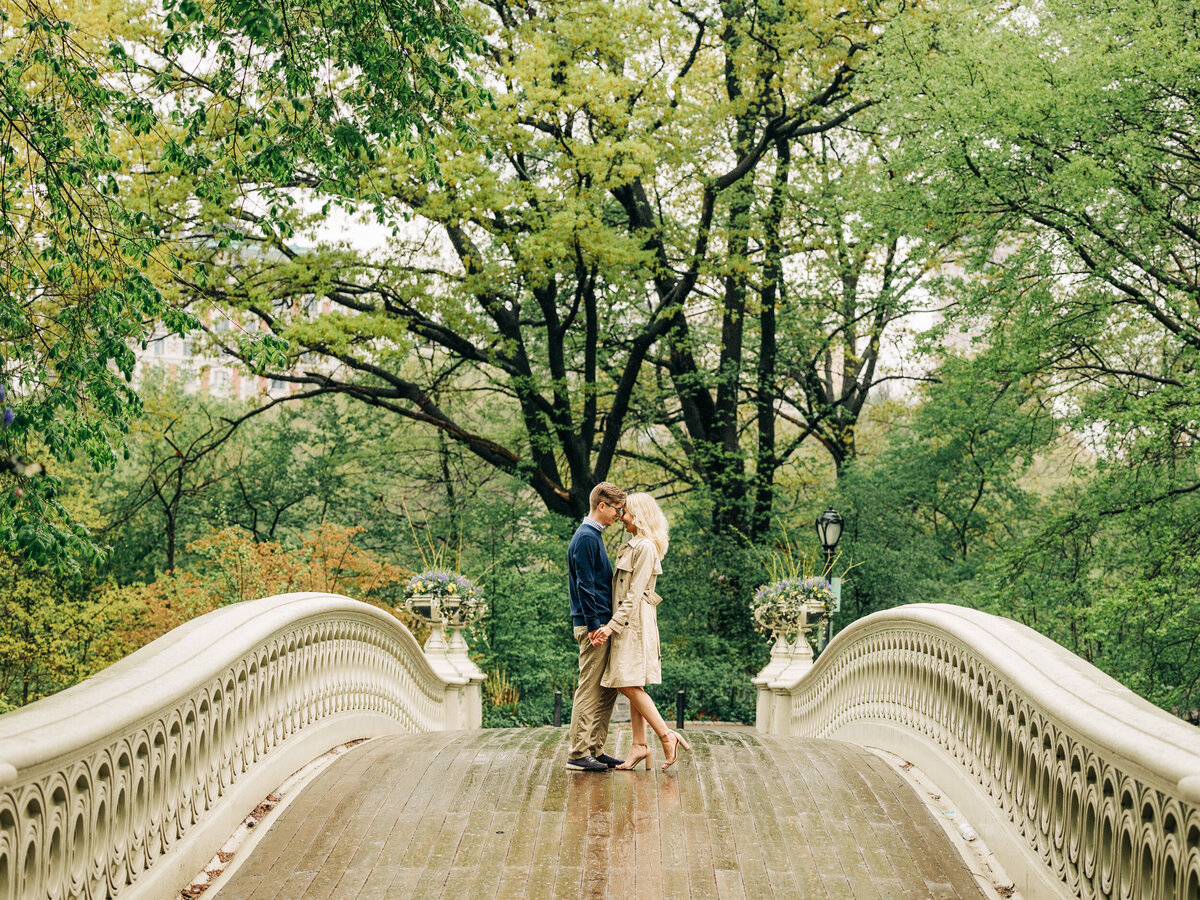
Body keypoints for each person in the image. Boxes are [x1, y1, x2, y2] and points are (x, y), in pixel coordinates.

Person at [596, 492, 691, 771]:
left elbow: (635, 594)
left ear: (637, 515)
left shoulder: (645, 548)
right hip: (628, 620)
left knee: (624, 681)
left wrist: (611, 627)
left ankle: (665, 735)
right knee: (632, 681)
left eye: (625, 512)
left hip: (633, 623)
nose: (621, 516)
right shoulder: (632, 546)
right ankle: (639, 745)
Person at [565, 482, 628, 772]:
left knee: (607, 689)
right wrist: (593, 625)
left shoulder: (593, 536)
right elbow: (585, 585)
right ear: (601, 506)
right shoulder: (586, 537)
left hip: (600, 622)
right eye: (616, 509)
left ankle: (595, 748)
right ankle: (578, 753)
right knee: (590, 689)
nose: (619, 514)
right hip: (594, 624)